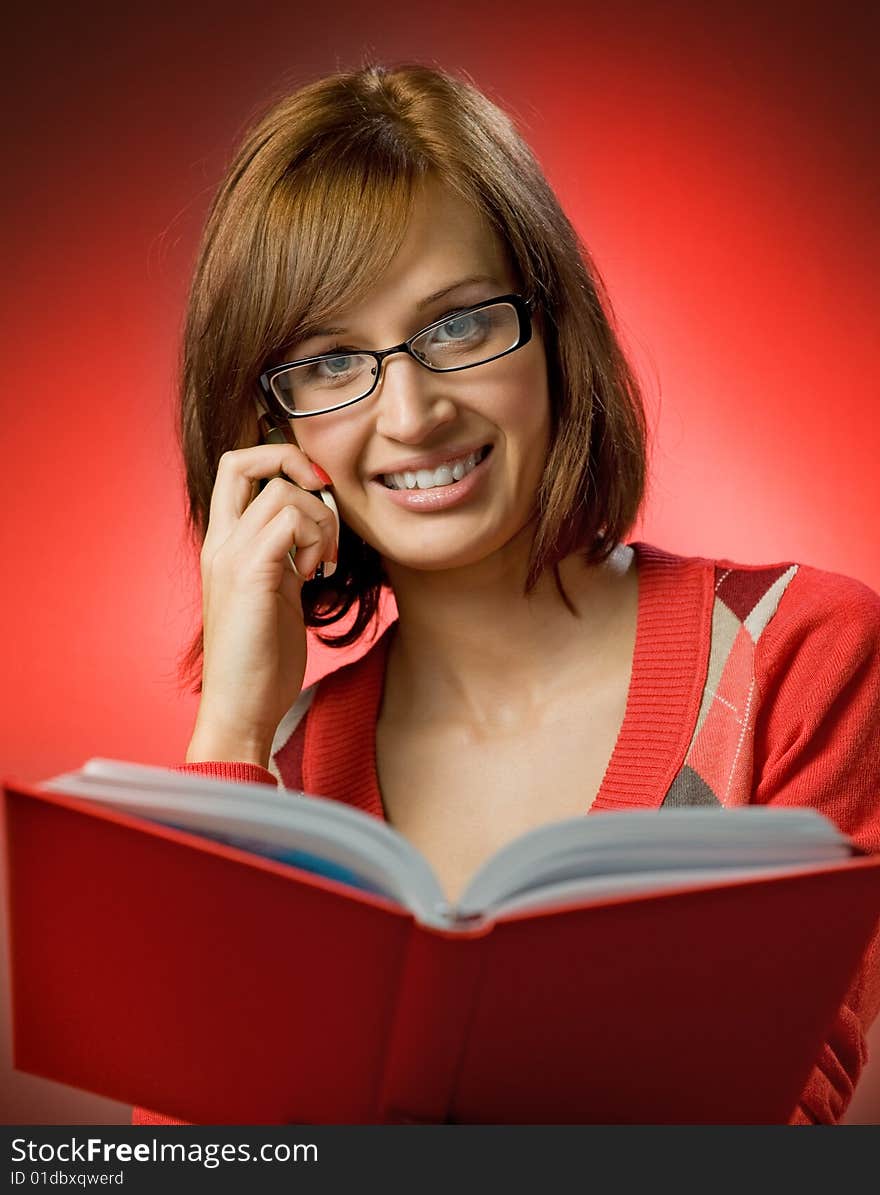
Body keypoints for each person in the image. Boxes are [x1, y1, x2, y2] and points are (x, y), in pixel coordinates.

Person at [132, 62, 880, 1126]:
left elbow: (777, 1125)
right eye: (332, 360)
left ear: (551, 328)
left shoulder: (799, 655)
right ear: (273, 430)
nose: (411, 412)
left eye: (458, 326)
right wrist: (233, 729)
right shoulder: (279, 788)